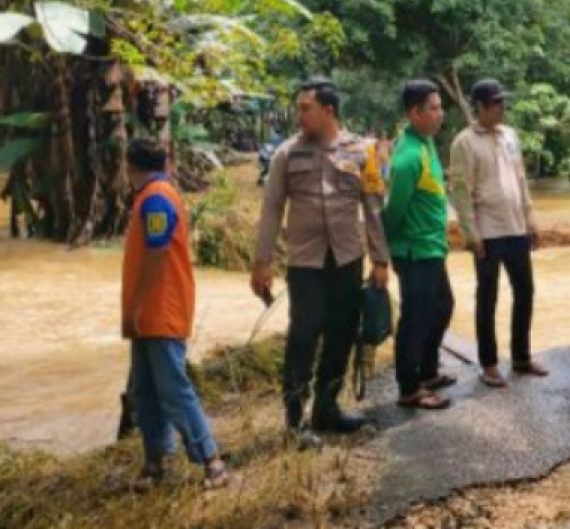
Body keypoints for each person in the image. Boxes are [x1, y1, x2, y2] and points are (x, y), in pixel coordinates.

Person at [253, 79, 389, 444]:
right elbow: (271, 209)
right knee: (303, 336)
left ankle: (327, 409)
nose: (299, 116)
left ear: (328, 110)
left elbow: (373, 208)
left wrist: (380, 260)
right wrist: (261, 262)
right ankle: (295, 421)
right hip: (305, 264)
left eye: (304, 108)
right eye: (298, 108)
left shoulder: (363, 151)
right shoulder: (286, 154)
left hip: (347, 259)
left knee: (342, 334)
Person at [122, 138, 228, 490]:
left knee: (172, 388)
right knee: (145, 388)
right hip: (150, 311)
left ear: (131, 167)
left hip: (159, 309)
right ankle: (155, 461)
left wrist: (137, 304)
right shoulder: (157, 194)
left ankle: (211, 460)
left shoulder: (155, 198)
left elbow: (156, 252)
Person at [448, 78, 549, 388]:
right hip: (487, 233)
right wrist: (470, 233)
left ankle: (521, 357)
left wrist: (530, 219)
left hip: (516, 227)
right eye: (496, 103)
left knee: (525, 291)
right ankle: (489, 364)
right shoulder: (464, 142)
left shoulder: (510, 136)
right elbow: (460, 192)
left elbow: (520, 179)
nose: (502, 107)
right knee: (488, 297)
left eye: (503, 102)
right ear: (480, 107)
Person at [384, 80, 456, 410]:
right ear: (414, 113)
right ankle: (409, 388)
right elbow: (393, 212)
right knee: (415, 318)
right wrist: (385, 253)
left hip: (432, 248)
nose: (440, 113)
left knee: (441, 307)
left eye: (440, 106)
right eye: (434, 108)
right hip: (414, 252)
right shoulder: (408, 158)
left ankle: (427, 371)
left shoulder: (425, 145)